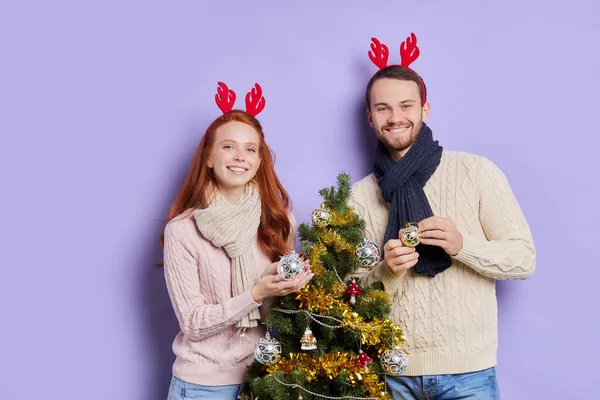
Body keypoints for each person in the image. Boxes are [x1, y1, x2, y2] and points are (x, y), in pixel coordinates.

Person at [349, 34, 536, 399]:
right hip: (392, 375)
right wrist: (387, 269)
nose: (395, 117)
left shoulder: (476, 172)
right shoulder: (358, 197)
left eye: (406, 105)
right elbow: (348, 296)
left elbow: (523, 259)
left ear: (425, 110)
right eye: (383, 108)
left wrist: (462, 245)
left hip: (469, 374)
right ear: (370, 118)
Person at [162, 82, 313, 400]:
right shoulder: (183, 230)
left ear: (259, 161)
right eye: (228, 146)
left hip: (262, 380)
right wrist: (256, 292)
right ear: (209, 158)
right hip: (203, 386)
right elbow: (194, 323)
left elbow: (276, 313)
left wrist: (289, 287)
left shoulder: (278, 221)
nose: (240, 157)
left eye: (250, 149)